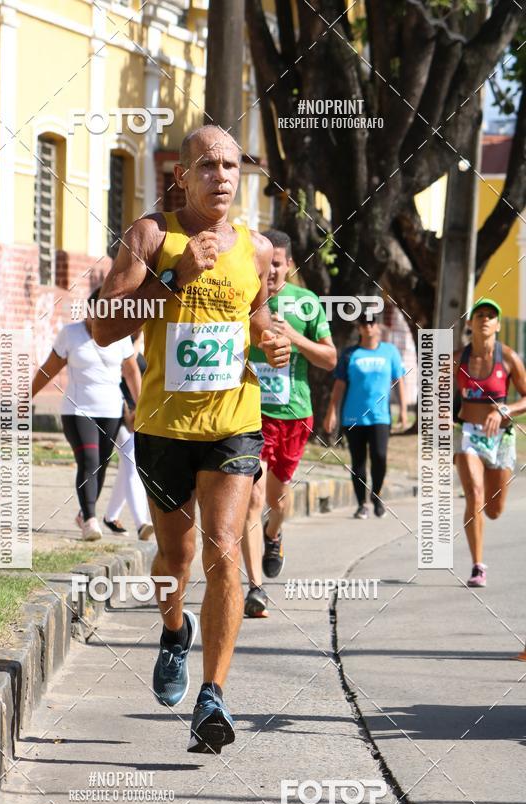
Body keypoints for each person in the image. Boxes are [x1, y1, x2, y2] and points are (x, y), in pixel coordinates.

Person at [95, 125, 291, 753]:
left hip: (234, 419)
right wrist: (174, 277)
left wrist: (272, 338)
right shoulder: (151, 235)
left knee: (225, 551)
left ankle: (214, 695)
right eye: (208, 165)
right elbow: (103, 326)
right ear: (181, 174)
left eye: (232, 165)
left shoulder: (256, 249)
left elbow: (254, 315)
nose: (223, 176)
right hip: (162, 426)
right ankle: (174, 631)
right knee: (174, 562)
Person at [241, 229, 337, 617]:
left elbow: (330, 359)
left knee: (278, 501)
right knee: (252, 498)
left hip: (295, 415)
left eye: (278, 264)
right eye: (266, 264)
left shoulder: (307, 302)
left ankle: (273, 533)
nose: (271, 271)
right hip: (252, 414)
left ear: (289, 265)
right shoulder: (245, 298)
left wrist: (295, 337)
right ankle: (255, 588)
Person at [32, 309, 140, 540]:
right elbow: (49, 368)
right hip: (77, 410)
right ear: (88, 312)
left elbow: (131, 372)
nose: (100, 322)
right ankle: (90, 519)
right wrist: (26, 396)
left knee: (100, 465)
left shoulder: (120, 335)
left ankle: (84, 513)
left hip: (111, 411)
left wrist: (140, 406)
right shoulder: (71, 334)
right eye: (96, 315)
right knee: (89, 460)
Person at [453, 298, 526, 587]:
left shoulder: (508, 357)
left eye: (490, 315)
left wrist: (505, 409)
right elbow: (439, 393)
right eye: (479, 315)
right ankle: (477, 566)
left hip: (501, 438)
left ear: (497, 325)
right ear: (470, 324)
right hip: (468, 433)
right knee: (474, 494)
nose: (485, 319)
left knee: (494, 510)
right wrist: (444, 412)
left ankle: (485, 526)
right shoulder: (458, 358)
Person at [323, 312, 407, 519]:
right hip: (353, 417)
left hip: (380, 417)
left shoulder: (390, 352)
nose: (368, 326)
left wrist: (404, 410)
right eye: (364, 323)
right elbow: (339, 385)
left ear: (377, 326)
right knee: (358, 462)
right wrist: (331, 411)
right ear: (359, 328)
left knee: (379, 457)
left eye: (371, 322)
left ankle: (376, 496)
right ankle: (362, 503)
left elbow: (399, 381)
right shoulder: (350, 354)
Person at [104, 330, 154, 540]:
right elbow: (115, 375)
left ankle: (109, 515)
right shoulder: (119, 337)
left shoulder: (147, 340)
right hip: (120, 410)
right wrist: (126, 410)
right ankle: (142, 523)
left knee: (128, 466)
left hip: (140, 411)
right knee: (132, 462)